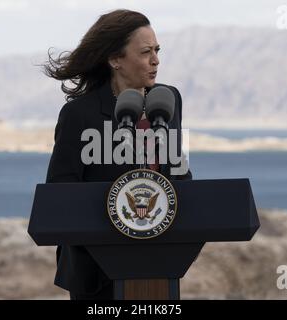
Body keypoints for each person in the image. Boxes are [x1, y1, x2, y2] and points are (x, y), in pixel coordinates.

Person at [43, 9, 192, 300]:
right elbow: (60, 193)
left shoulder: (168, 99)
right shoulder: (79, 114)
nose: (156, 60)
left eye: (157, 50)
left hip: (159, 263)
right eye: (146, 52)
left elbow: (177, 170)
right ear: (115, 60)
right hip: (96, 272)